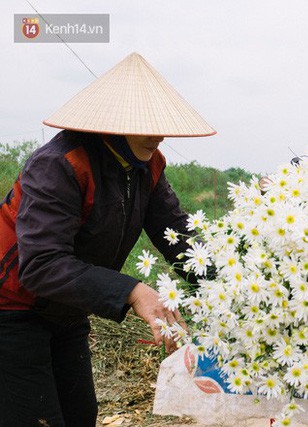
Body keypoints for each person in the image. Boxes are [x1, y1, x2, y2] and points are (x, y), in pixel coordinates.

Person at [0, 52, 216, 426]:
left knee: (80, 415)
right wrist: (133, 291)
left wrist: (235, 285)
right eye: (146, 124)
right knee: (34, 416)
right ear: (115, 123)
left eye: (161, 124)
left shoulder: (146, 165)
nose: (158, 134)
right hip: (13, 309)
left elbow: (176, 234)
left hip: (67, 309)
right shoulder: (62, 164)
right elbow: (41, 264)